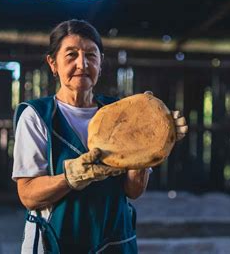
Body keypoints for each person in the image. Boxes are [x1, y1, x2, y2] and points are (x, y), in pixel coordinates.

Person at [12, 19, 188, 254]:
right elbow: (28, 196)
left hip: (114, 242)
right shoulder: (37, 116)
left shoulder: (121, 113)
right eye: (71, 55)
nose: (82, 64)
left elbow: (133, 191)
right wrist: (71, 177)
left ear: (100, 62)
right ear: (53, 63)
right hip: (57, 242)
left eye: (91, 55)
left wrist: (148, 147)